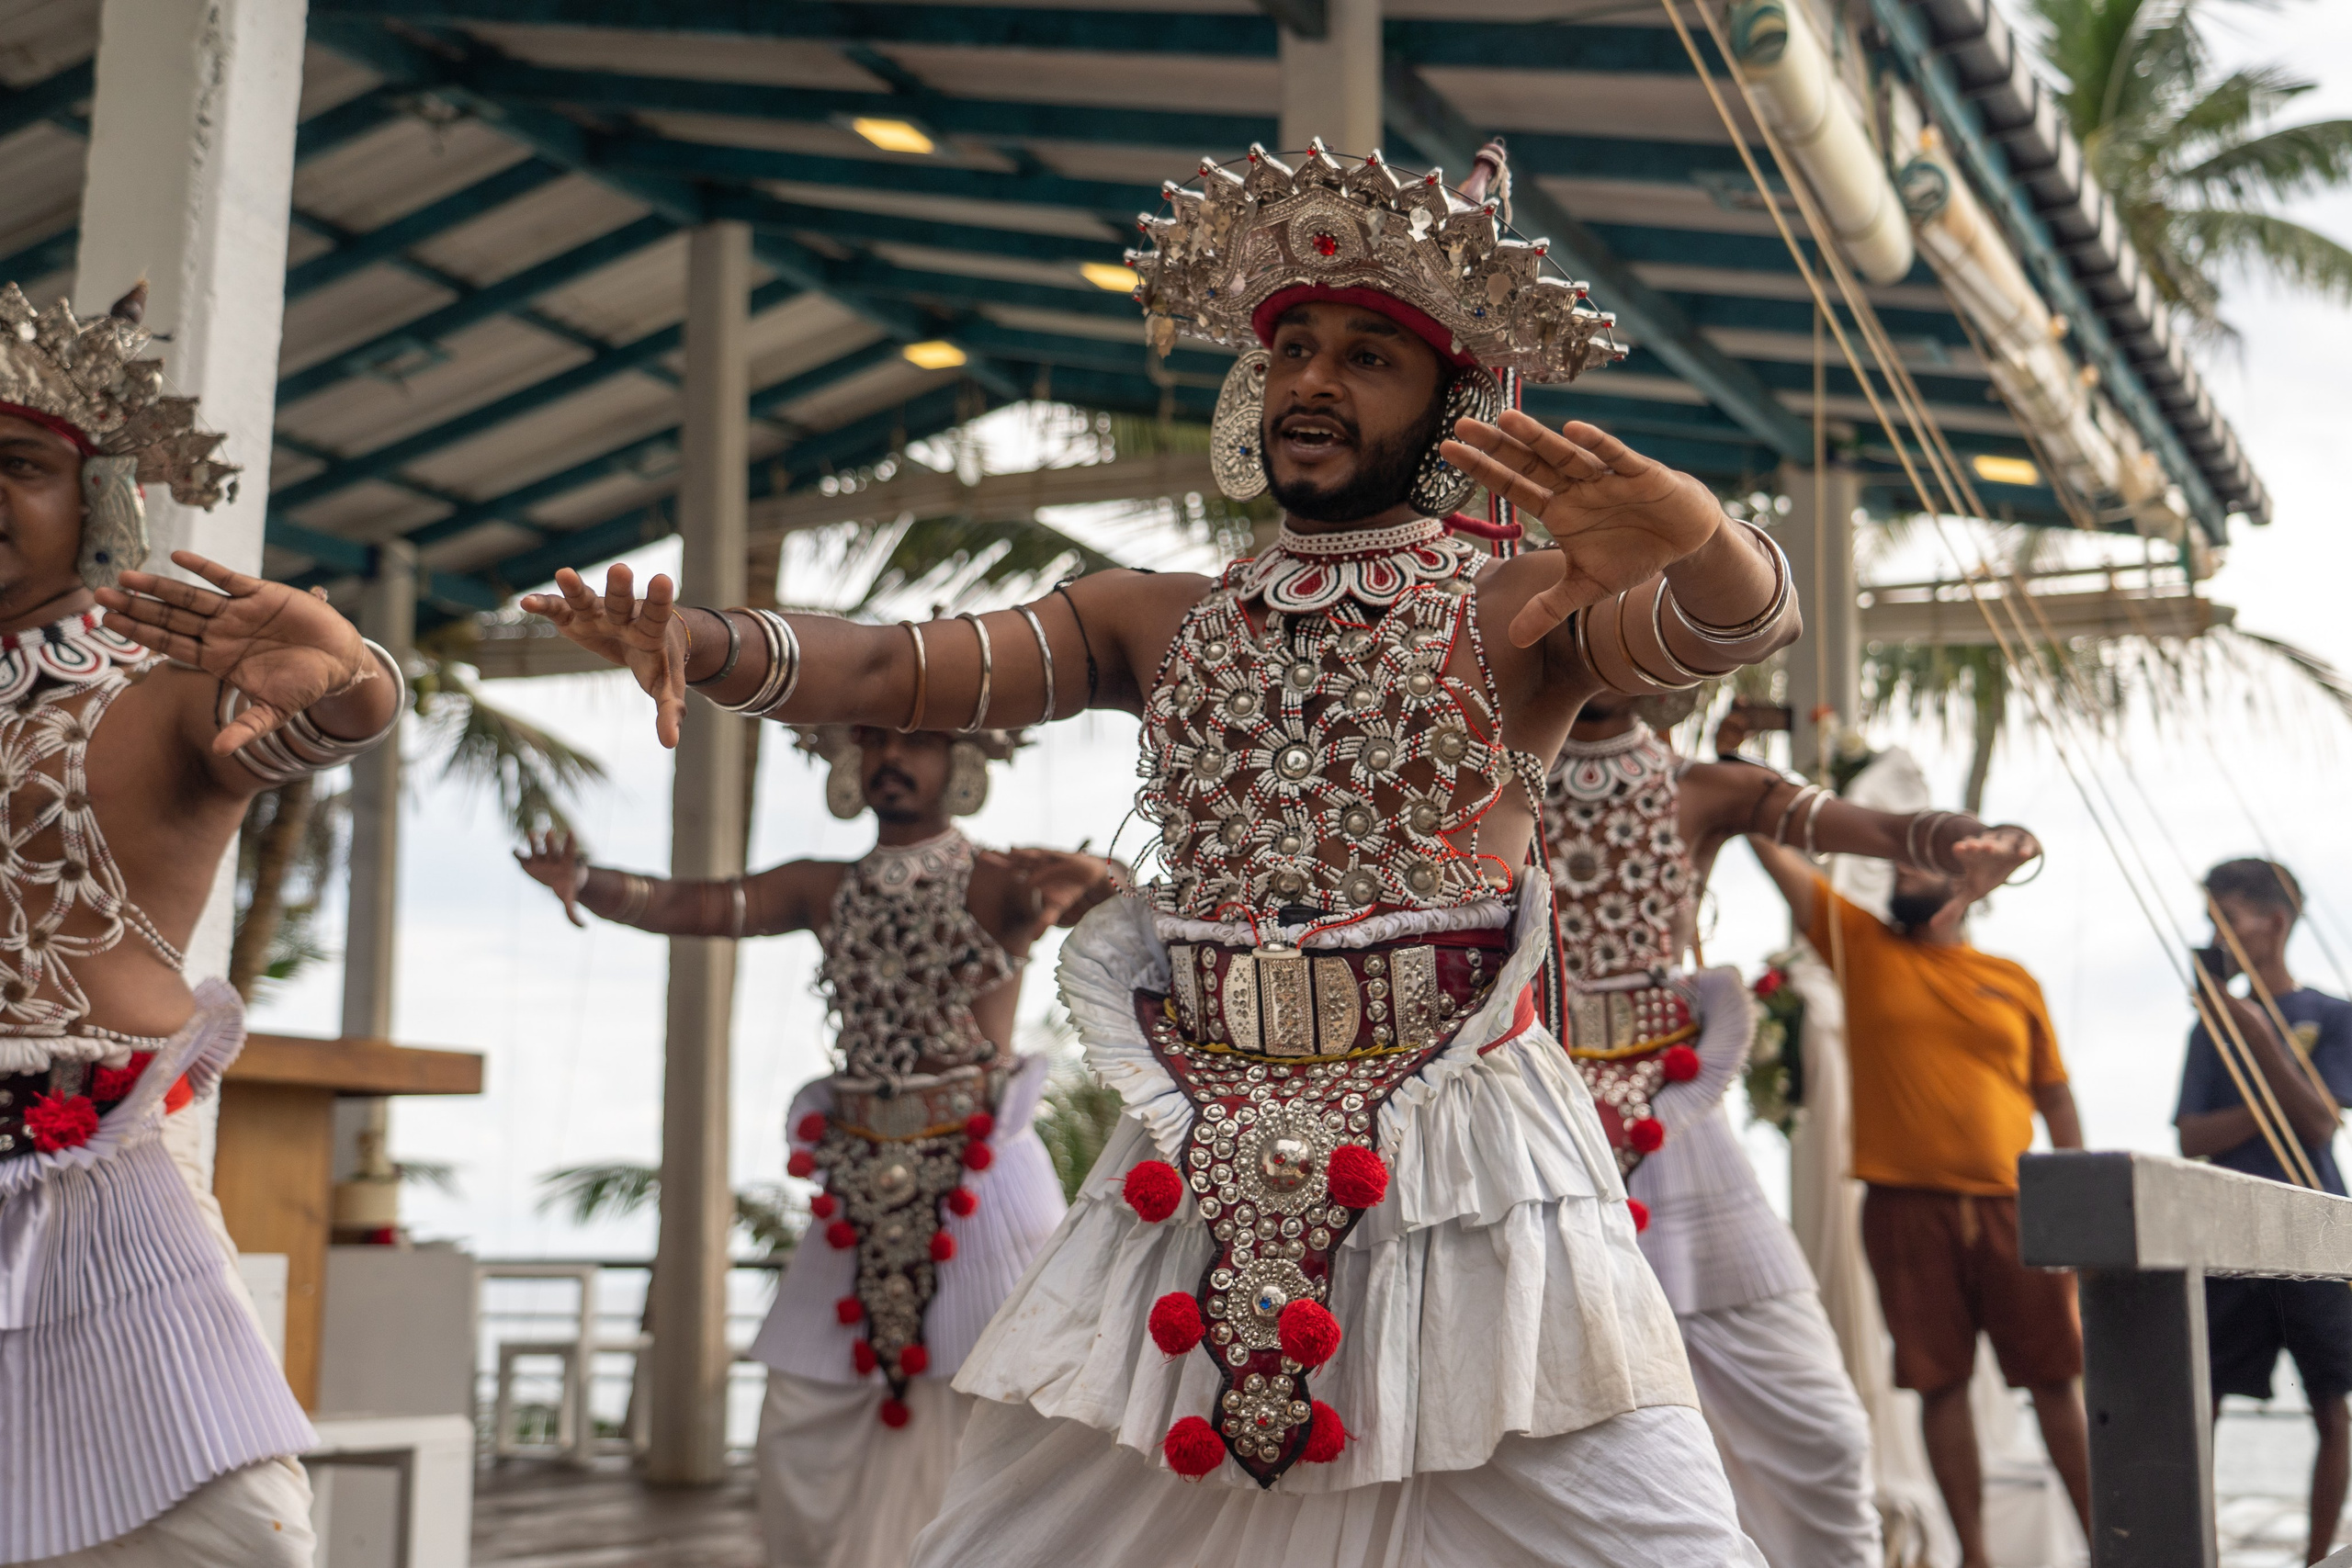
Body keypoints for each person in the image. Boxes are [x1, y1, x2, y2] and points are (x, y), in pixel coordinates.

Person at [526, 140, 1803, 1566]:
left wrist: (1702, 539)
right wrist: (700, 644)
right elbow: (895, 668)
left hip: (1475, 1151)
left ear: (1451, 400)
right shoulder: (1158, 614)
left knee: (1659, 1542)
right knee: (1009, 1540)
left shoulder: (1520, 605)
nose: (1315, 379)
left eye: (1369, 355)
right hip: (1191, 1142)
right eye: (1295, 347)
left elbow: (1724, 629)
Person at [0, 284, 406, 1566]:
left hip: (101, 1183)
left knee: (228, 1534)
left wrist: (348, 667)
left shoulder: (171, 685)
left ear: (101, 497)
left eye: (16, 466)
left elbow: (336, 714)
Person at [516, 723, 1114, 1568]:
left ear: (965, 760)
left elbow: (1130, 915)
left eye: (915, 743)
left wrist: (1095, 879)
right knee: (804, 1414)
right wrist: (586, 880)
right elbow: (699, 905)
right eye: (872, 743)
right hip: (858, 1177)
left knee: (996, 1408)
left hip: (986, 1172)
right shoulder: (821, 886)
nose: (890, 760)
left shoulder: (1003, 878)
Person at [1546, 688, 2015, 1565]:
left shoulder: (1708, 787)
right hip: (1534, 1134)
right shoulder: (1487, 779)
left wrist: (1972, 841)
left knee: (1828, 1439)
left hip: (1682, 1124)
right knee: (1567, 1441)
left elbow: (1877, 830)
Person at [1747, 799, 2089, 1568]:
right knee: (1941, 1385)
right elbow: (1766, 839)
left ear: (1964, 875)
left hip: (2017, 1206)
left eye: (1919, 860)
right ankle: (1975, 1556)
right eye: (1896, 861)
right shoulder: (1859, 943)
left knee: (2057, 1381)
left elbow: (2056, 1097)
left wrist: (2082, 1205)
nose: (1901, 871)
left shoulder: (2014, 979)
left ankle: (2111, 1548)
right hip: (1903, 1206)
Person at [2175, 858, 2352, 1565]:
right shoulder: (2206, 1031)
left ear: (2272, 923)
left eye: (2226, 919)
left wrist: (2256, 1037)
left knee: (2331, 1402)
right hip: (2227, 1232)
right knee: (2202, 1398)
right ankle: (2198, 1549)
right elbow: (2191, 1137)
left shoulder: (2333, 1015)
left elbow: (2319, 1123)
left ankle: (2317, 1557)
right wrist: (2265, 1083)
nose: (2215, 937)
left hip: (2316, 1233)